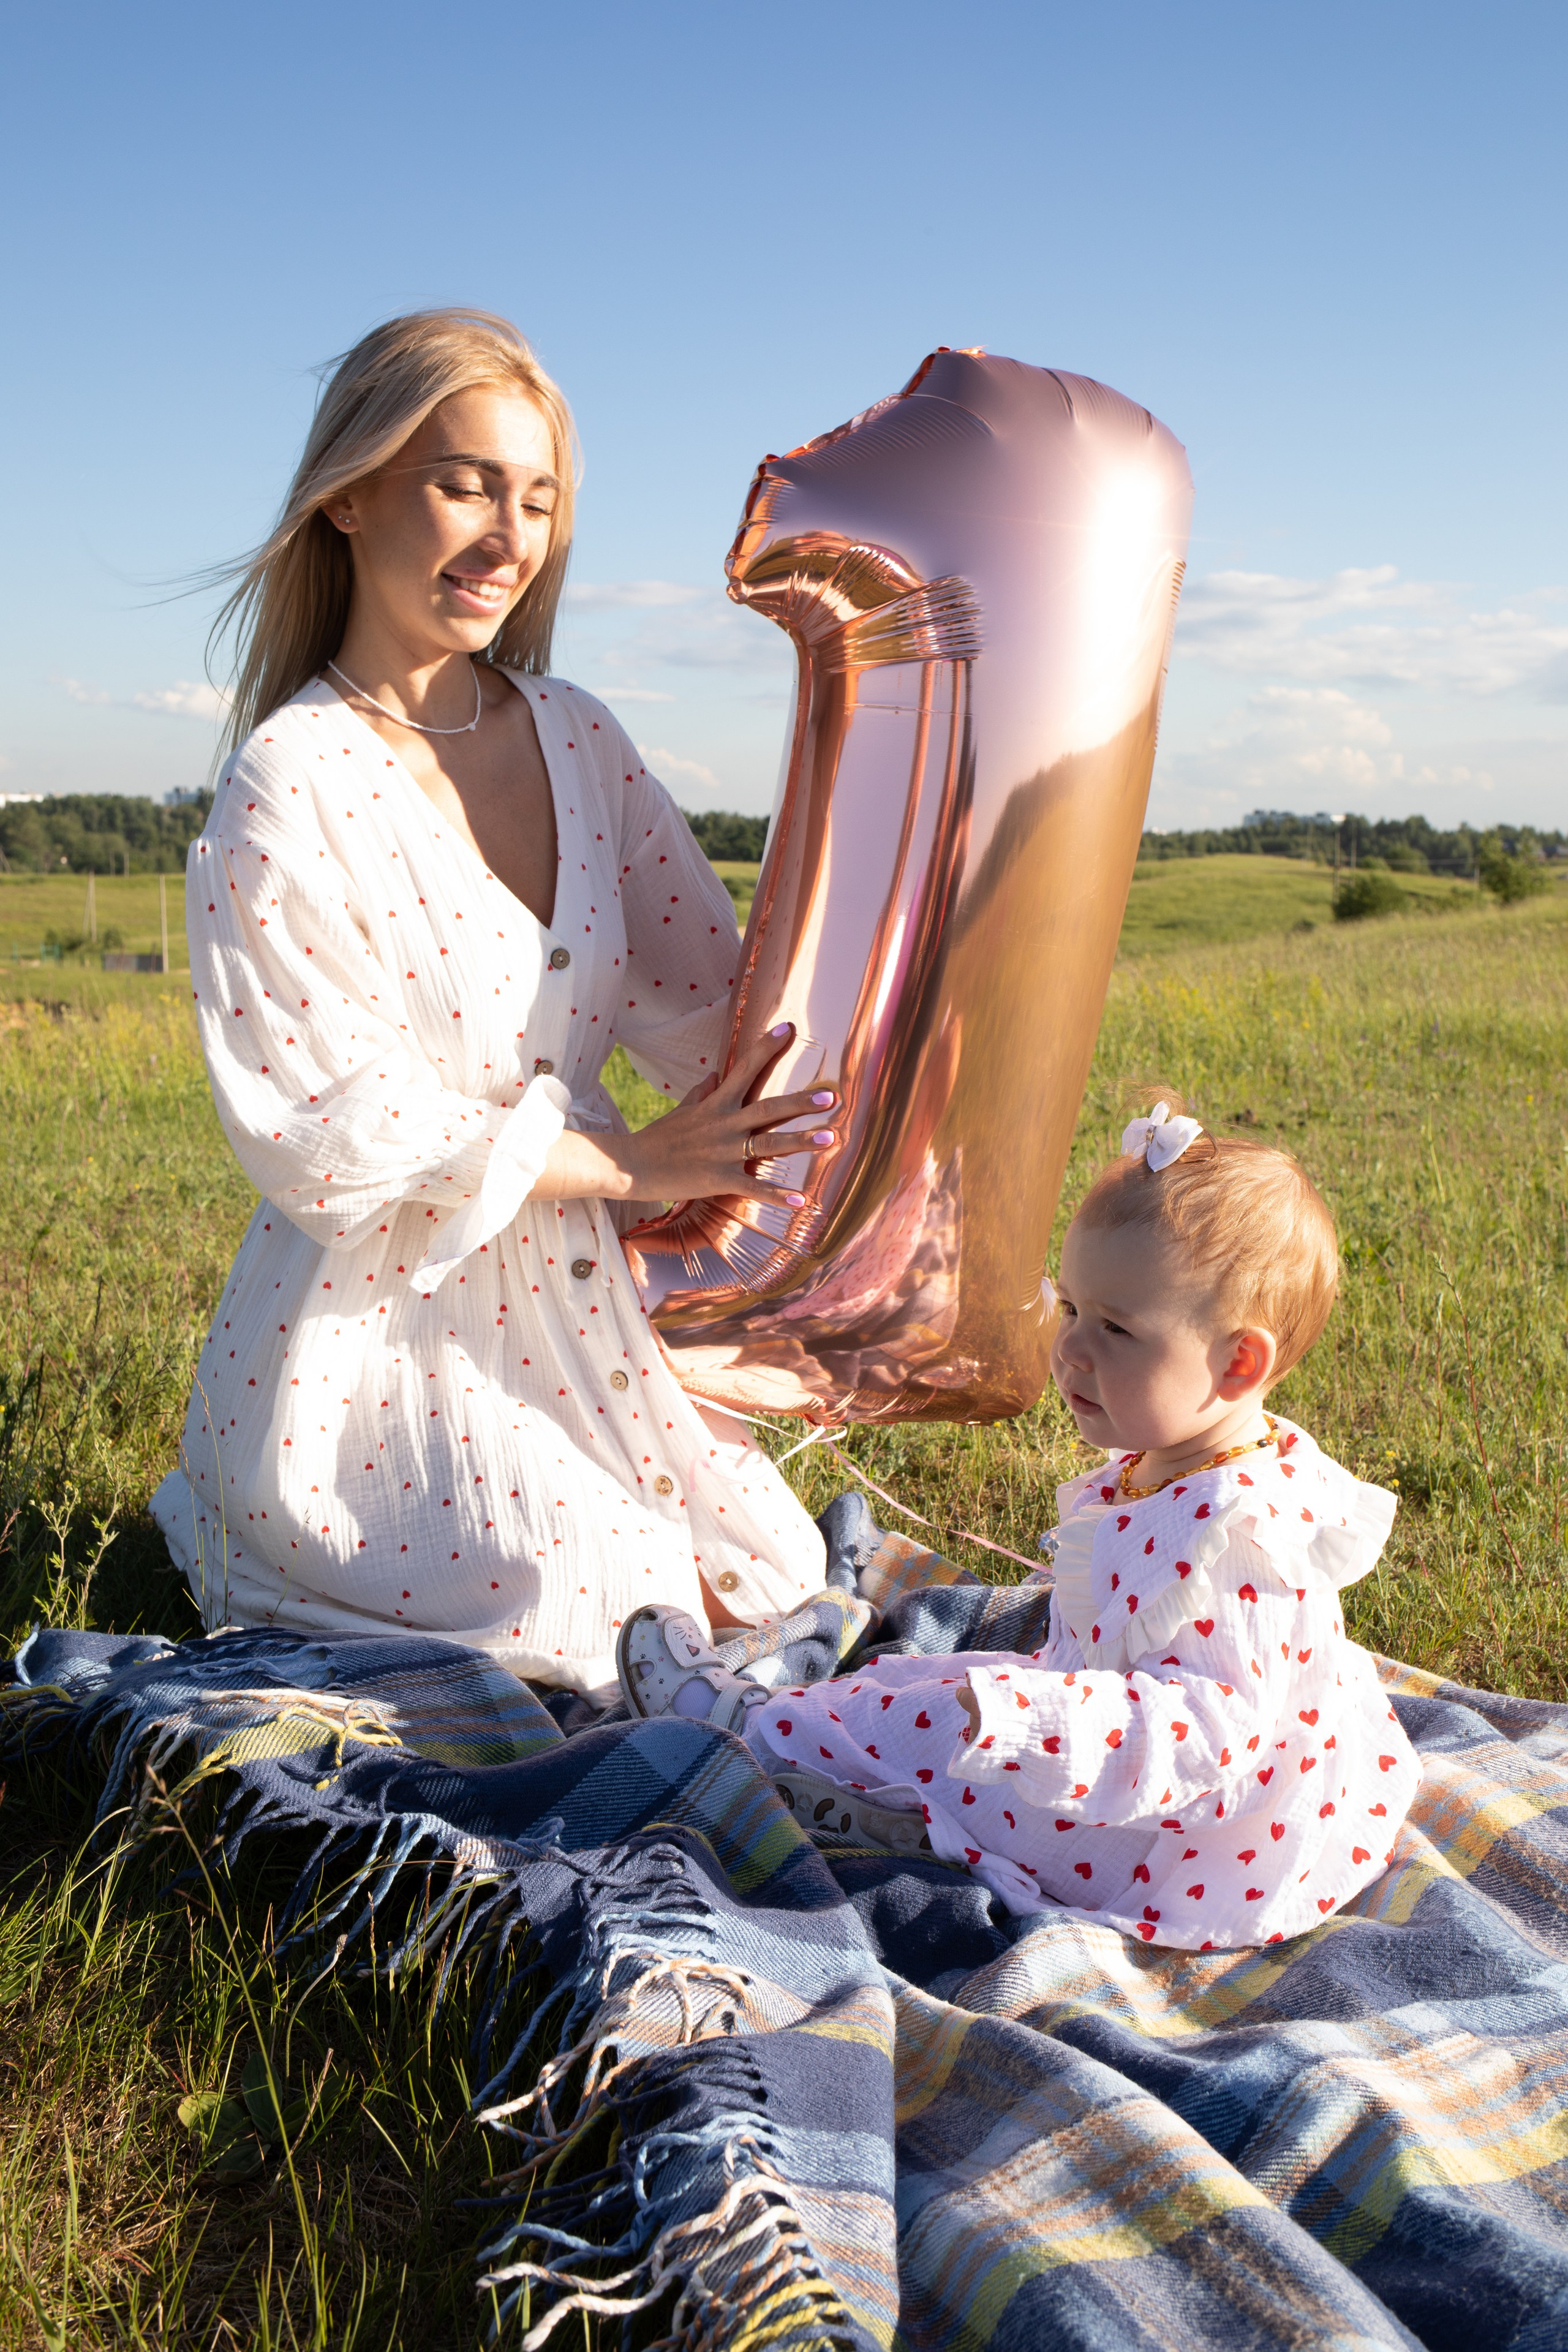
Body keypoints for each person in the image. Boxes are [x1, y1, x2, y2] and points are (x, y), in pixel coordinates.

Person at [151, 309, 836, 1698]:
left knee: (761, 1574)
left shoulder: (576, 734)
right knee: (599, 1616)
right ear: (349, 494)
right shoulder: (287, 784)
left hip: (587, 1290)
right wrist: (629, 1166)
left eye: (536, 498)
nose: (508, 537)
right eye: (465, 485)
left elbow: (719, 1008)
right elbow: (327, 1132)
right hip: (382, 1328)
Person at [616, 1101, 1422, 1951]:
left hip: (1158, 1842)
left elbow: (1211, 1741)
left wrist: (1032, 1719)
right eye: (1070, 1308)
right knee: (917, 1682)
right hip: (1109, 1750)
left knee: (945, 1718)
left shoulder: (1237, 1541)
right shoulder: (1195, 1458)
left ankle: (747, 1738)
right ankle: (834, 1756)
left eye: (1116, 1329)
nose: (1071, 1349)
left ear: (1239, 1362)